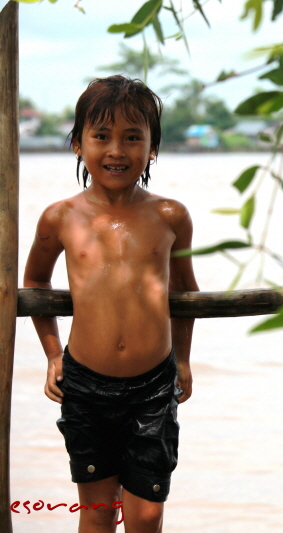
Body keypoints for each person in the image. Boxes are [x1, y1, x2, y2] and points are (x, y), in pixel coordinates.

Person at [23, 75, 199, 533]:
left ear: (152, 148)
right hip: (85, 386)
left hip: (153, 387)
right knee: (98, 516)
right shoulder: (60, 217)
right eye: (101, 136)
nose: (116, 150)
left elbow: (185, 295)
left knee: (146, 515)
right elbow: (34, 282)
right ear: (78, 144)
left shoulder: (170, 216)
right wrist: (52, 354)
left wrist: (183, 359)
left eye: (132, 137)